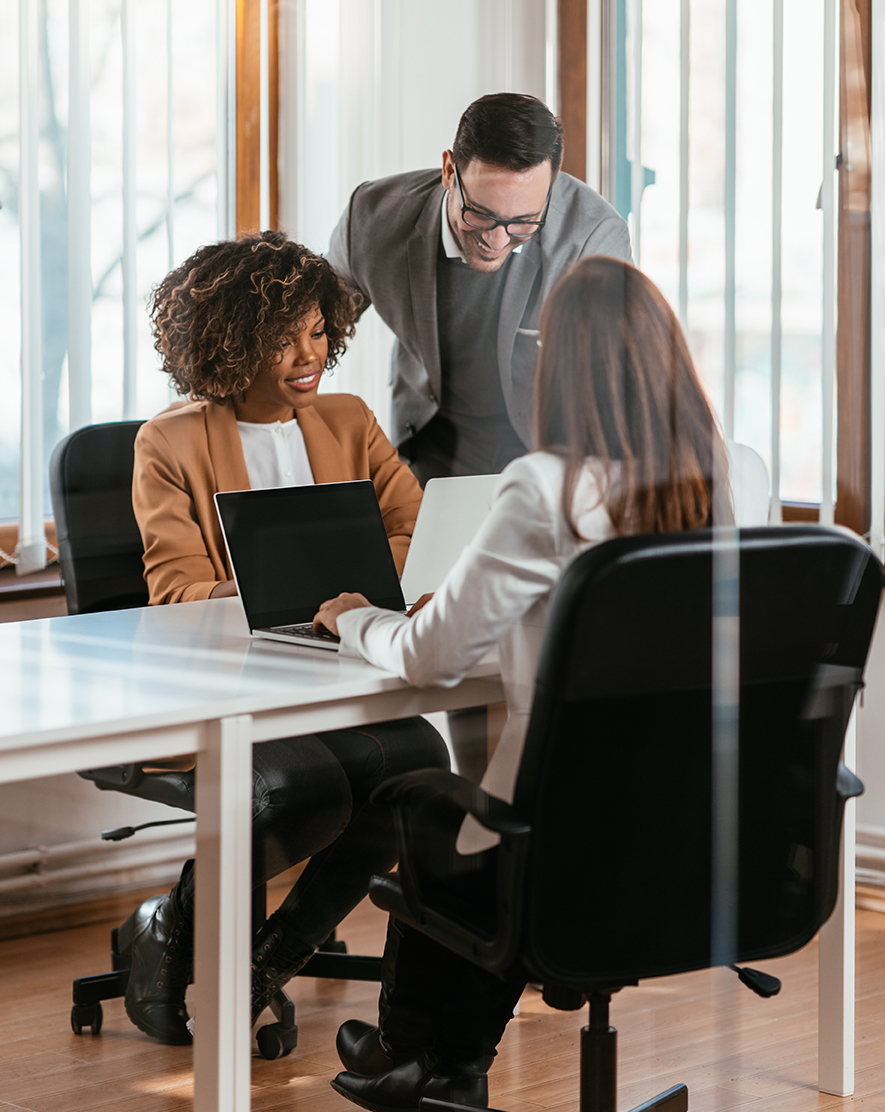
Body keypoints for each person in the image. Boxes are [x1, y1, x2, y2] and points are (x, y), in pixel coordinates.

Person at [313, 256, 734, 1111]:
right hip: (681, 831)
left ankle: (410, 1051)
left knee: (426, 802)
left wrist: (356, 616)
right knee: (484, 829)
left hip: (565, 840)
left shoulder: (545, 486)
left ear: (560, 368)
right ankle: (447, 1068)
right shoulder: (709, 480)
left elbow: (430, 657)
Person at [119, 233, 448, 1046]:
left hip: (340, 661)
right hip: (229, 682)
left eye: (317, 331)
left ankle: (264, 961)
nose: (309, 356)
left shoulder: (347, 419)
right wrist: (278, 595)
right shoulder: (170, 443)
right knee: (314, 791)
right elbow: (176, 591)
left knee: (417, 772)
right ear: (231, 341)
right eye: (282, 337)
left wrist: (349, 591)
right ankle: (173, 926)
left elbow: (416, 528)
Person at [328, 91, 631, 487]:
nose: (498, 239)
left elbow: (612, 384)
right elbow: (311, 329)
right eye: (481, 215)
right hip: (427, 452)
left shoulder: (593, 237)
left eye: (524, 222)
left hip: (546, 464)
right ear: (449, 170)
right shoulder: (373, 219)